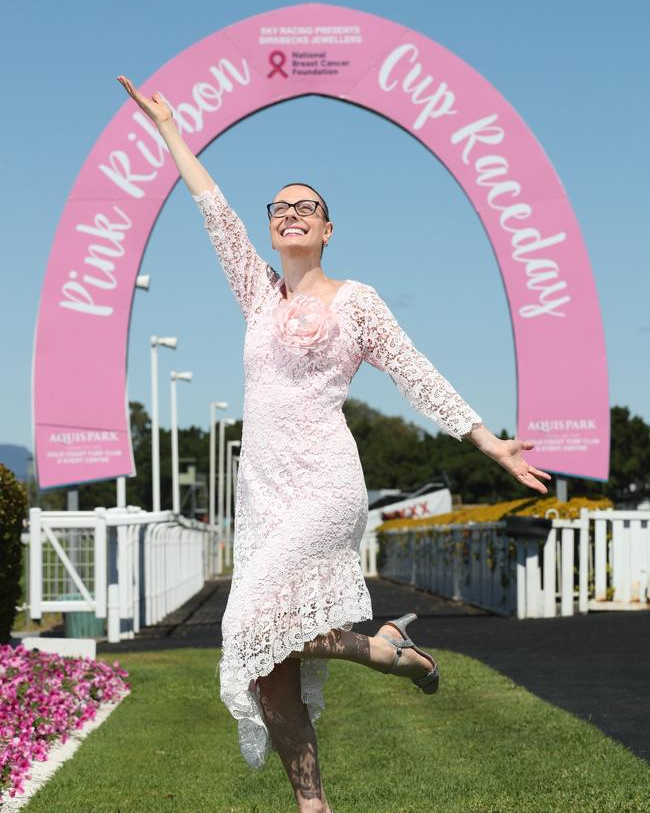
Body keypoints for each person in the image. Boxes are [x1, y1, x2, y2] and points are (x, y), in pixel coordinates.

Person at [117, 75, 552, 813]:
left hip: (324, 482)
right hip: (263, 492)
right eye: (279, 208)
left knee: (255, 624)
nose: (290, 215)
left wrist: (489, 442)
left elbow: (418, 373)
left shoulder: (358, 302)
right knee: (272, 664)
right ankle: (314, 799)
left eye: (305, 208)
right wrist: (170, 132)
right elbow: (214, 211)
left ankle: (382, 648)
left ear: (326, 228)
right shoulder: (255, 292)